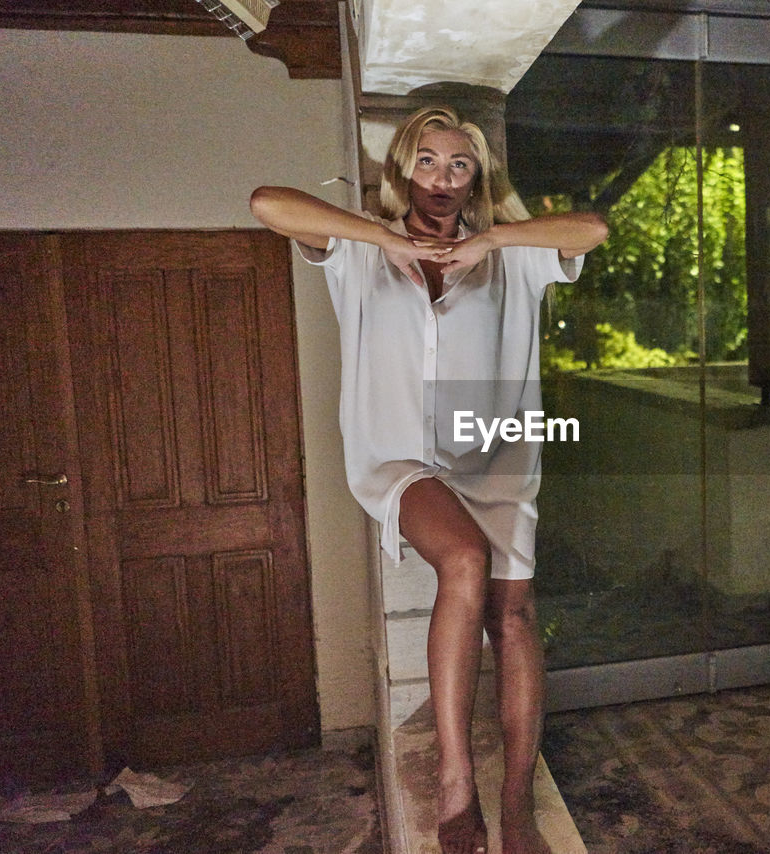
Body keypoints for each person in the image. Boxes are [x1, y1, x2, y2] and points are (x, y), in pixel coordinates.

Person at [250, 106, 607, 854]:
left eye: (459, 165)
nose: (442, 179)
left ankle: (515, 802)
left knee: (513, 619)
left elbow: (592, 231)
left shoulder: (512, 256)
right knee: (465, 559)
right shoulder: (355, 252)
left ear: (477, 177)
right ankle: (455, 780)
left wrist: (494, 239)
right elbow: (265, 204)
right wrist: (380, 235)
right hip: (398, 455)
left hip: (499, 455)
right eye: (427, 162)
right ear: (402, 168)